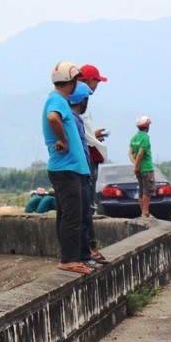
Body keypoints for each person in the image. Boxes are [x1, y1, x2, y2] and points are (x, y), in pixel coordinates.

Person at [43, 60, 91, 275]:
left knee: (67, 214)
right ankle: (69, 259)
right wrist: (63, 139)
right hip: (66, 168)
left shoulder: (57, 99)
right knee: (73, 215)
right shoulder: (58, 100)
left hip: (70, 168)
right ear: (70, 82)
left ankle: (71, 256)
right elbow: (52, 118)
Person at [68, 81, 105, 267]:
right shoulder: (73, 120)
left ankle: (85, 253)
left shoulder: (76, 119)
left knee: (83, 213)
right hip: (80, 171)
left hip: (82, 170)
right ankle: (84, 254)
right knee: (81, 215)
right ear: (82, 100)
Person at [80, 63, 109, 263]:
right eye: (97, 81)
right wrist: (94, 139)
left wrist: (94, 136)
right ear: (90, 81)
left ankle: (88, 247)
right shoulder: (80, 102)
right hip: (88, 157)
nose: (97, 85)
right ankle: (89, 247)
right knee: (87, 205)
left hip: (89, 154)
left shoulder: (81, 102)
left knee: (87, 205)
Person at [129, 116, 155, 219]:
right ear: (147, 126)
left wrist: (135, 165)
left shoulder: (134, 138)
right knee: (148, 190)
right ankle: (145, 212)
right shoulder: (145, 138)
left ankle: (143, 212)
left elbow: (130, 153)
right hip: (146, 168)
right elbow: (141, 153)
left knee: (141, 190)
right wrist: (136, 166)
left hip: (139, 169)